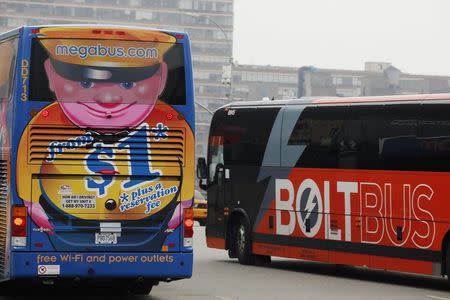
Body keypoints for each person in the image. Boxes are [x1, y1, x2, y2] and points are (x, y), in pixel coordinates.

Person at [16, 27, 194, 242]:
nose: (108, 98)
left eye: (128, 83)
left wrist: (182, 205)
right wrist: (31, 203)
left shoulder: (168, 120)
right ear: (51, 75)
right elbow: (27, 178)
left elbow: (185, 168)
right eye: (85, 82)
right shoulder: (46, 119)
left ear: (162, 77)